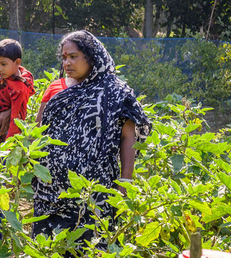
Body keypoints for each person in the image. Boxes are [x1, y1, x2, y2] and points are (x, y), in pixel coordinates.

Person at [33, 30, 152, 244]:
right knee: (51, 256)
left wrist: (125, 182)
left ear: (92, 57)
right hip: (51, 194)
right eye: (64, 57)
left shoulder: (115, 92)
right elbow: (41, 131)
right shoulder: (61, 93)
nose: (67, 63)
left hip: (94, 193)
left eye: (73, 56)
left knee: (89, 252)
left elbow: (128, 138)